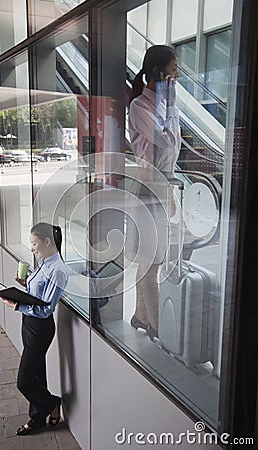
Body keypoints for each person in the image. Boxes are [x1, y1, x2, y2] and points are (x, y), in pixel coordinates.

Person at [128, 45, 181, 341]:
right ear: (159, 73)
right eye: (173, 70)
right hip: (147, 190)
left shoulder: (162, 105)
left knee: (148, 259)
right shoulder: (140, 107)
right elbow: (166, 140)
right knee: (151, 260)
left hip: (159, 188)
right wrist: (168, 102)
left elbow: (174, 147)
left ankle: (140, 316)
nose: (177, 76)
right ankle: (159, 329)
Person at [1, 222, 69, 435]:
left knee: (24, 381)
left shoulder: (57, 270)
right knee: (36, 375)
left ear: (47, 241)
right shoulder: (44, 262)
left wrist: (17, 304)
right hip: (28, 324)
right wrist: (24, 284)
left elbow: (46, 309)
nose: (31, 248)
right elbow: (38, 296)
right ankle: (37, 418)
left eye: (34, 243)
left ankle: (52, 404)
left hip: (40, 328)